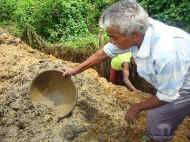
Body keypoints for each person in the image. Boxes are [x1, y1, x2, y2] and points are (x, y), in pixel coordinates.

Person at [62, 0, 190, 141]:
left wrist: (138, 107)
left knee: (157, 118)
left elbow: (167, 95)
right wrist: (75, 70)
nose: (110, 41)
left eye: (113, 37)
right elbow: (104, 53)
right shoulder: (136, 31)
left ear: (134, 35)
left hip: (185, 86)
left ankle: (157, 137)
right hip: (173, 74)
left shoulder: (166, 54)